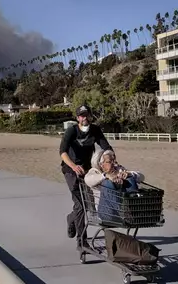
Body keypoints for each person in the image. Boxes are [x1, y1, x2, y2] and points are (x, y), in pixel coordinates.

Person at [59, 104, 113, 250]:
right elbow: (62, 152)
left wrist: (109, 159)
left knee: (86, 205)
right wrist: (73, 166)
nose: (85, 118)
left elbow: (106, 146)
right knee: (81, 205)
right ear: (78, 118)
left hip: (87, 171)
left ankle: (71, 218)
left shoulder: (95, 129)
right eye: (82, 116)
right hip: (70, 171)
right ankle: (82, 242)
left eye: (87, 115)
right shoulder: (72, 131)